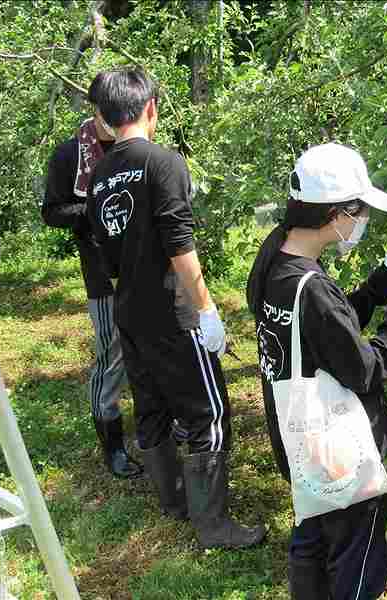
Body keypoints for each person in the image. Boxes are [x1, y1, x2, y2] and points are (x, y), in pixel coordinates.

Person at [246, 143, 387, 599]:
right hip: (341, 455)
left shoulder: (275, 259)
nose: (361, 221)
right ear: (336, 213)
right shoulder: (312, 288)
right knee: (357, 555)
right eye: (358, 212)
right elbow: (365, 370)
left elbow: (328, 335)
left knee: (313, 532)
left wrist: (386, 275)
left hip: (299, 441)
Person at [86, 67, 265, 548]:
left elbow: (105, 254)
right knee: (208, 411)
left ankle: (173, 499)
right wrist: (206, 310)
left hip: (129, 309)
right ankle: (213, 525)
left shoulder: (100, 176)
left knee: (152, 405)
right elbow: (179, 242)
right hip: (173, 309)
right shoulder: (164, 163)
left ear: (103, 120)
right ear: (150, 108)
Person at [42, 79, 143, 479]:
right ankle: (113, 444)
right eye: (103, 112)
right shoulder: (70, 154)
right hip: (102, 273)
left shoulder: (131, 147)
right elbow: (51, 211)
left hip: (143, 268)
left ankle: (160, 425)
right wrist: (90, 210)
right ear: (94, 109)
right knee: (111, 353)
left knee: (151, 348)